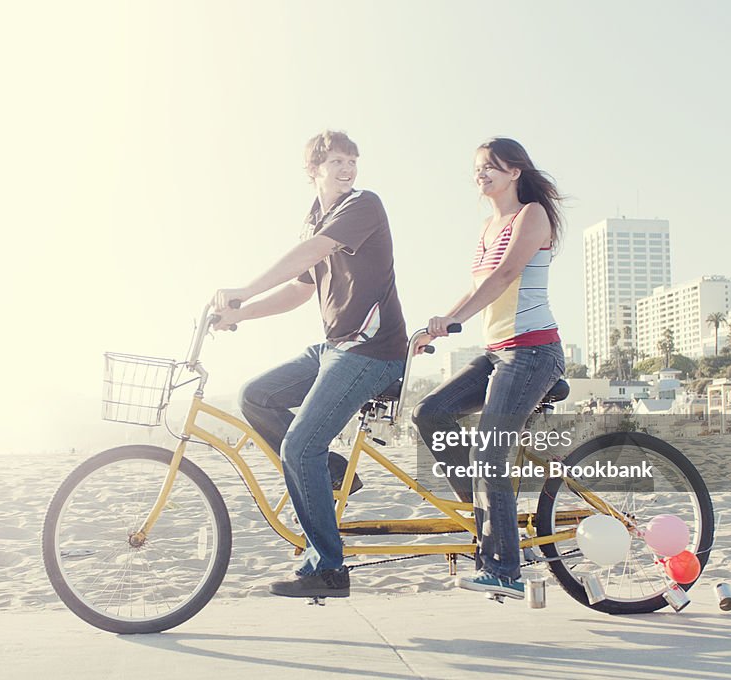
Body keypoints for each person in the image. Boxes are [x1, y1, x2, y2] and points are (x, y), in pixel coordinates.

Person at [212, 130, 407, 598]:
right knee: (255, 396)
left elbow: (315, 251)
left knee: (300, 446)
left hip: (373, 349)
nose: (347, 169)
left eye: (352, 161)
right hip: (335, 348)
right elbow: (300, 290)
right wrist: (240, 313)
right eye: (337, 161)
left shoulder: (363, 205)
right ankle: (333, 470)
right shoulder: (314, 220)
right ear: (314, 170)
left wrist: (243, 288)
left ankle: (329, 568)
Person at [411, 137, 565, 600]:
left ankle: (504, 569)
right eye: (478, 168)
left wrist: (455, 319)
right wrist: (436, 326)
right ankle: (487, 516)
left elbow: (503, 278)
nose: (482, 174)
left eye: (491, 167)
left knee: (488, 452)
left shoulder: (531, 215)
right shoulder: (486, 227)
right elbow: (477, 286)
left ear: (515, 171)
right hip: (498, 352)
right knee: (430, 412)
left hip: (533, 352)